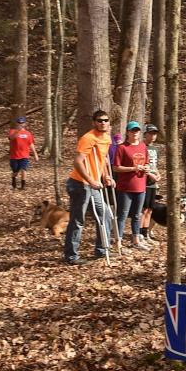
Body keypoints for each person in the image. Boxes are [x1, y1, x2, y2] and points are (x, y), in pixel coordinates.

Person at [63, 111, 115, 265]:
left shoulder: (106, 138)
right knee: (78, 220)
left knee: (105, 214)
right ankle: (71, 256)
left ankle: (102, 250)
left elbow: (103, 160)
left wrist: (105, 176)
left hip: (93, 185)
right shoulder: (88, 138)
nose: (103, 123)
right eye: (99, 121)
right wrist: (91, 180)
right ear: (94, 122)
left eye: (105, 120)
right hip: (80, 184)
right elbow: (78, 162)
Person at [112, 121, 151, 250]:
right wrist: (133, 168)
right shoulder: (122, 147)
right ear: (127, 132)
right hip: (125, 187)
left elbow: (147, 163)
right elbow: (116, 168)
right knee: (122, 215)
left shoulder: (143, 146)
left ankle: (136, 240)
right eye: (132, 130)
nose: (135, 133)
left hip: (141, 186)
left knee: (137, 215)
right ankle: (118, 242)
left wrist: (146, 168)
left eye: (137, 131)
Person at [139, 124, 161, 241]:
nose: (153, 136)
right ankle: (139, 233)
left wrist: (157, 174)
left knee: (150, 209)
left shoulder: (155, 149)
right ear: (145, 134)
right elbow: (141, 165)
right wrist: (150, 175)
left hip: (153, 183)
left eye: (155, 134)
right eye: (151, 133)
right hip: (144, 182)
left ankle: (145, 232)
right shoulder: (142, 147)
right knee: (143, 209)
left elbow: (154, 165)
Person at [8, 116, 39, 190]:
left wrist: (35, 154)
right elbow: (11, 138)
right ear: (16, 123)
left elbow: (31, 144)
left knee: (23, 169)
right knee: (15, 172)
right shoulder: (12, 131)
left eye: (22, 123)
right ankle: (13, 181)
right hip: (14, 156)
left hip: (24, 155)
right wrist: (18, 131)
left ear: (25, 124)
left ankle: (23, 186)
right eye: (19, 123)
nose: (20, 124)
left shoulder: (28, 133)